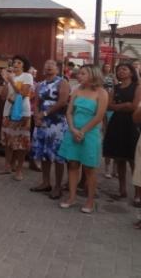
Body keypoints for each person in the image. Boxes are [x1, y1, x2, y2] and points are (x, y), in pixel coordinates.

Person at [57, 65, 108, 213]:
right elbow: (69, 112)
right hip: (73, 132)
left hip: (90, 134)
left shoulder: (102, 92)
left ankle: (90, 201)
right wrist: (73, 129)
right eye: (79, 73)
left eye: (83, 73)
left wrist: (83, 131)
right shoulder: (77, 90)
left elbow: (99, 116)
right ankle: (71, 197)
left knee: (89, 168)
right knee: (72, 165)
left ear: (93, 75)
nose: (79, 76)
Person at [29, 60, 70, 200]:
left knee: (58, 156)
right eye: (46, 65)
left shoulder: (62, 82)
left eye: (52, 65)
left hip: (56, 122)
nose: (48, 67)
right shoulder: (40, 84)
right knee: (44, 153)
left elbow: (63, 101)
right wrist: (36, 117)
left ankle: (58, 186)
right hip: (42, 123)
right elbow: (36, 103)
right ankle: (45, 182)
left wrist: (45, 114)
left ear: (58, 69)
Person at [102, 63, 140, 200]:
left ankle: (138, 193)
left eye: (124, 69)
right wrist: (124, 105)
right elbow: (108, 105)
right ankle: (122, 190)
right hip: (117, 123)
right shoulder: (115, 87)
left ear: (131, 72)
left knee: (134, 160)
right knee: (119, 159)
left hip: (132, 125)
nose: (121, 71)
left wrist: (118, 106)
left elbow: (134, 106)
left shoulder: (137, 87)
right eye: (118, 70)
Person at [0, 55, 34, 180]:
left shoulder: (27, 76)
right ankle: (7, 166)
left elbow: (23, 93)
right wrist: (6, 81)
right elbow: (3, 96)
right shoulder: (10, 77)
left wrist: (12, 81)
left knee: (21, 143)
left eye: (19, 62)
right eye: (14, 62)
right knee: (7, 141)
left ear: (24, 65)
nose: (16, 64)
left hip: (22, 112)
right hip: (8, 111)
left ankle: (19, 170)